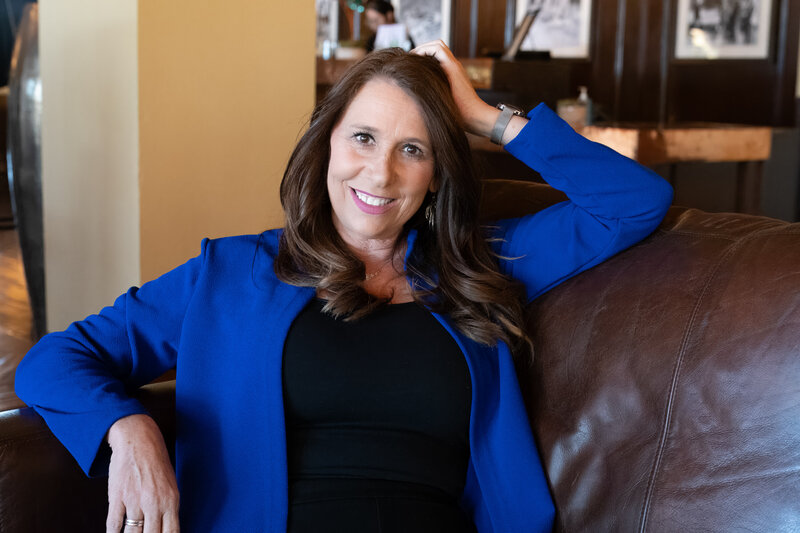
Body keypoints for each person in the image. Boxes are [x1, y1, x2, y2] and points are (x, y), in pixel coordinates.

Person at [15, 41, 672, 532]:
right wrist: (128, 427)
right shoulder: (232, 272)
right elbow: (54, 360)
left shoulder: (480, 262)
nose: (380, 173)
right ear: (326, 145)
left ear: (438, 174)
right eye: (362, 137)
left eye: (412, 149)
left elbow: (636, 201)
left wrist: (482, 115)